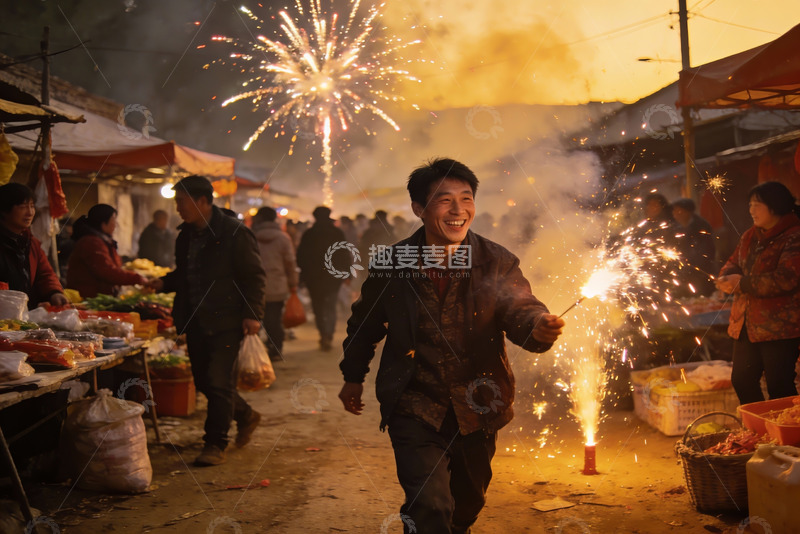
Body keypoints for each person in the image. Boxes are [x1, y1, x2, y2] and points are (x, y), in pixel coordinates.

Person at [338, 158, 565, 534]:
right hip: (414, 403)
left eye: (466, 198)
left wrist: (537, 327)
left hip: (479, 403)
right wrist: (352, 376)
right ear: (419, 209)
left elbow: (519, 307)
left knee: (467, 502)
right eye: (444, 200)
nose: (459, 210)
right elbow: (365, 323)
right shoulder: (393, 263)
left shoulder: (495, 260)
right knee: (430, 505)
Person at [151, 176, 267, 466]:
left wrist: (253, 314)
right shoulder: (185, 235)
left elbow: (253, 276)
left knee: (218, 381)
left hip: (227, 320)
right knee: (204, 381)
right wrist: (161, 284)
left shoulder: (234, 233)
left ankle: (215, 443)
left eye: (182, 201)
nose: (178, 208)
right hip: (195, 320)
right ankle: (246, 415)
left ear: (203, 201)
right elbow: (185, 274)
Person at [716, 181, 800, 404]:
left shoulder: (794, 236)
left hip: (780, 327)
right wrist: (727, 277)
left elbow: (786, 279)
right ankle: (757, 433)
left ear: (775, 206)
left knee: (779, 384)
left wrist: (742, 284)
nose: (751, 210)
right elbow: (733, 262)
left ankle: (789, 434)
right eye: (750, 204)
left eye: (757, 205)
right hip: (744, 324)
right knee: (742, 379)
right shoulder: (749, 236)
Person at [0, 183, 68, 307]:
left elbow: (45, 273)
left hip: (25, 317)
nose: (30, 212)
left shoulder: (31, 243)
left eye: (32, 206)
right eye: (23, 206)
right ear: (4, 210)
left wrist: (54, 292)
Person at [66, 204, 147, 298]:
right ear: (104, 224)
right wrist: (137, 279)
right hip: (87, 298)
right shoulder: (91, 242)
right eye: (113, 219)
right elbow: (106, 271)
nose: (116, 224)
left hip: (96, 296)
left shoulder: (102, 240)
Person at [296, 206, 347, 351]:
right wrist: (346, 272)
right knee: (330, 305)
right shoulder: (337, 232)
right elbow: (345, 252)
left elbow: (301, 257)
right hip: (333, 276)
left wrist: (303, 275)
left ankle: (323, 333)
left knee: (318, 306)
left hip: (314, 278)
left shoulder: (309, 234)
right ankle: (329, 334)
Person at [252, 206, 298, 361]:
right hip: (277, 285)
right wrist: (293, 283)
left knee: (254, 318)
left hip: (255, 286)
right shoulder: (283, 238)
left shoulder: (251, 236)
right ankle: (275, 349)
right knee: (274, 318)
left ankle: (255, 350)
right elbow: (290, 263)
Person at [671, 198, 716, 296]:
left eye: (679, 211)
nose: (675, 214)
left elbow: (706, 251)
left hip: (700, 273)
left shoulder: (701, 226)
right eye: (674, 211)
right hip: (682, 274)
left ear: (688, 212)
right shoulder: (675, 227)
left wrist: (690, 264)